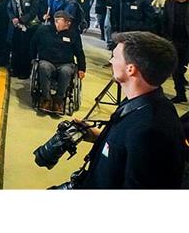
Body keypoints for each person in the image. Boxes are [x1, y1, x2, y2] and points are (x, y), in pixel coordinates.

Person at [67, 32, 186, 189]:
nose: (110, 61)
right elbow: (128, 148)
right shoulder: (142, 103)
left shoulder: (149, 130)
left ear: (131, 69)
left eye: (115, 57)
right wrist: (100, 137)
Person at [30, 11, 86, 114]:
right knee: (44, 67)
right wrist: (33, 58)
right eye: (66, 22)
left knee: (66, 71)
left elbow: (79, 52)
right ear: (57, 21)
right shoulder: (43, 30)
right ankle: (46, 98)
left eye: (69, 22)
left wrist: (82, 68)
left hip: (66, 63)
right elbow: (33, 44)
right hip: (47, 61)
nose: (68, 24)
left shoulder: (73, 34)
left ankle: (59, 100)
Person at [161, 0, 189, 103]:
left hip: (188, 41)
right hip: (175, 42)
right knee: (176, 69)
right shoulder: (169, 3)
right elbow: (165, 21)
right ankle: (180, 94)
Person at [7, 0, 39, 79]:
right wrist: (13, 18)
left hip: (28, 27)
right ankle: (15, 69)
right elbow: (9, 9)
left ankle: (24, 71)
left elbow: (33, 12)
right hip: (15, 27)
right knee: (15, 48)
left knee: (25, 49)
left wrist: (21, 19)